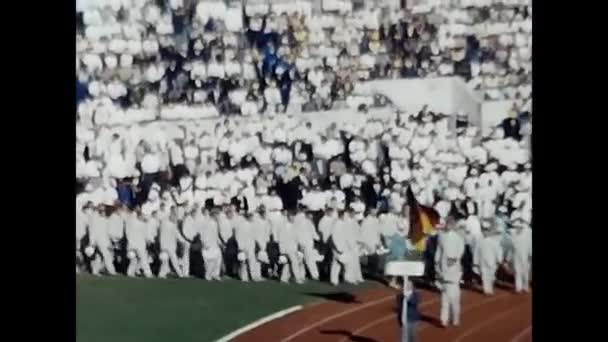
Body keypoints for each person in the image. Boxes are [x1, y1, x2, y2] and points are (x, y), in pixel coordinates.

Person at [435, 217, 465, 327]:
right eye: (448, 223)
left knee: (454, 300)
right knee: (444, 299)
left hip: (454, 270)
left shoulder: (458, 237)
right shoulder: (441, 237)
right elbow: (439, 251)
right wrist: (436, 263)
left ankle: (455, 318)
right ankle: (444, 319)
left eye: (451, 223)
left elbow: (461, 250)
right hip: (443, 269)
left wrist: (455, 259)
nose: (449, 225)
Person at [474, 220, 503, 295]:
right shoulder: (479, 242)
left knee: (491, 275)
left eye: (487, 230)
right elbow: (476, 252)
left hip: (492, 261)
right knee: (484, 276)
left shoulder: (494, 241)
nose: (485, 232)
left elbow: (498, 251)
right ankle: (487, 290)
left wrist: (499, 260)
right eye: (484, 231)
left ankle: (489, 288)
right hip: (482, 261)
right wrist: (475, 262)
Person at [86, 205, 117, 276]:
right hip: (100, 240)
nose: (104, 212)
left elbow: (108, 231)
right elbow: (92, 231)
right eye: (102, 211)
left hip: (104, 240)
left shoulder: (105, 219)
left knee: (99, 256)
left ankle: (95, 271)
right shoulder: (95, 219)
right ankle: (112, 271)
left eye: (104, 211)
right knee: (107, 255)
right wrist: (92, 242)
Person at [278, 211, 304, 284]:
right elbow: (281, 239)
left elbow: (297, 237)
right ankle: (297, 278)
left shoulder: (295, 226)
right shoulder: (284, 226)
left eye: (293, 216)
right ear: (288, 217)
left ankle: (283, 279)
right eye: (291, 216)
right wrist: (282, 251)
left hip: (294, 247)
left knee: (288, 264)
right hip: (287, 247)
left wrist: (300, 246)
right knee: (294, 262)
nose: (292, 218)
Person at [125, 208, 153, 278]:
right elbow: (146, 235)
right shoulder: (142, 224)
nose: (143, 217)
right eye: (142, 216)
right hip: (139, 245)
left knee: (133, 260)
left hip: (132, 244)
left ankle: (130, 273)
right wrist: (148, 240)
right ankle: (148, 273)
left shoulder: (132, 222)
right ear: (139, 216)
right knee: (143, 260)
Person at [158, 206, 184, 278]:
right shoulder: (164, 223)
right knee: (164, 259)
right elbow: (161, 235)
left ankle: (180, 274)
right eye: (173, 217)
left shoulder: (174, 224)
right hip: (165, 246)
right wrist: (162, 246)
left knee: (174, 261)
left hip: (172, 246)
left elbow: (177, 234)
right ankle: (161, 274)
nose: (175, 218)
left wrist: (182, 241)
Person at [392, 277, 420, 342]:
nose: (408, 286)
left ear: (412, 286)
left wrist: (408, 297)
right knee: (404, 338)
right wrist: (400, 319)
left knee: (412, 338)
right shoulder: (400, 295)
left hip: (412, 320)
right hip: (404, 320)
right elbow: (400, 308)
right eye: (407, 284)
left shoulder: (415, 294)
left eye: (410, 284)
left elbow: (414, 302)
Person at [510, 219, 532, 293]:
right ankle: (518, 288)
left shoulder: (527, 235)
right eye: (517, 227)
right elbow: (512, 248)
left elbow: (530, 245)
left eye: (519, 227)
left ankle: (525, 287)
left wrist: (530, 254)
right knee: (517, 271)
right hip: (516, 256)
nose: (517, 228)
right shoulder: (513, 236)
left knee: (525, 271)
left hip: (525, 256)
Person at [201, 208, 223, 281]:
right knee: (210, 261)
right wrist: (205, 243)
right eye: (218, 214)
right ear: (214, 214)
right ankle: (208, 275)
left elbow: (216, 235)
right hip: (208, 245)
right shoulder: (207, 222)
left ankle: (215, 274)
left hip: (215, 244)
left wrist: (220, 243)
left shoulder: (215, 223)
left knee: (218, 259)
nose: (219, 216)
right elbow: (203, 234)